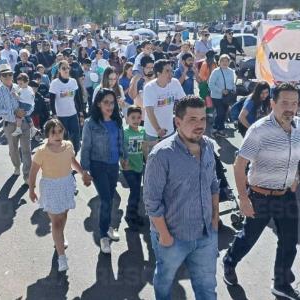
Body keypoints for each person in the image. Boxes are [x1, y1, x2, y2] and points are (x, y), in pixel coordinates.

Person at [222, 83, 300, 300]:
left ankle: (281, 283)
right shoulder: (259, 130)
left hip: (286, 196)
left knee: (289, 240)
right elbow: (239, 165)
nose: (290, 107)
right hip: (259, 196)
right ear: (272, 103)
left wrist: (296, 178)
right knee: (248, 238)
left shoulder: (299, 127)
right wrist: (244, 198)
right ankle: (229, 262)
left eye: (294, 103)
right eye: (284, 102)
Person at [144, 96, 219, 300]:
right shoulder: (161, 155)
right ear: (177, 122)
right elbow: (152, 201)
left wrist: (214, 220)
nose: (200, 125)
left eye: (203, 119)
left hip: (206, 234)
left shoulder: (209, 147)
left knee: (207, 286)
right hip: (173, 237)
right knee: (165, 281)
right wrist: (165, 236)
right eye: (193, 119)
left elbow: (213, 183)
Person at [29, 118, 92, 272]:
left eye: (60, 131)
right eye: (53, 132)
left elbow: (72, 162)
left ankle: (59, 238)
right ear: (47, 135)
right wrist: (32, 188)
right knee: (56, 222)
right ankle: (61, 257)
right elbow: (33, 171)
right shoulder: (41, 151)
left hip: (66, 185)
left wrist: (83, 172)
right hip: (50, 187)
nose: (57, 135)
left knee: (63, 216)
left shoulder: (68, 146)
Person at [81, 88, 128, 254]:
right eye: (106, 102)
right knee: (106, 200)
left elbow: (121, 140)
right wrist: (84, 171)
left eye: (112, 102)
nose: (110, 106)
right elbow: (85, 147)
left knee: (110, 198)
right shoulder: (91, 124)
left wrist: (124, 157)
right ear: (99, 104)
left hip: (113, 166)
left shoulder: (117, 120)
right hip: (98, 166)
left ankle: (107, 227)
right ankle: (103, 236)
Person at [0, 64, 32, 184]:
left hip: (24, 123)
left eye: (10, 74)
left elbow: (30, 102)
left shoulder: (19, 87)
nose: (8, 76)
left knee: (27, 150)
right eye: (5, 75)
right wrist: (14, 112)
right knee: (13, 149)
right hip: (10, 124)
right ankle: (16, 166)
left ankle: (27, 176)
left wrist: (25, 112)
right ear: (0, 77)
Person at [143, 59, 186, 157]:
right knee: (153, 160)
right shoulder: (149, 88)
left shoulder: (175, 83)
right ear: (158, 73)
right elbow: (149, 111)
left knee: (169, 159)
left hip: (169, 130)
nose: (171, 73)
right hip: (153, 132)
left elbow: (184, 101)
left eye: (171, 70)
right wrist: (158, 129)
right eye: (167, 71)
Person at [49, 60, 84, 155]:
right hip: (60, 116)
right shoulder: (55, 83)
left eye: (67, 68)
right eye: (63, 68)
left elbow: (78, 98)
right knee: (63, 139)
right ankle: (64, 160)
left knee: (76, 137)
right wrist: (54, 115)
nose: (66, 70)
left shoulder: (73, 82)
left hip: (73, 114)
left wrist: (80, 112)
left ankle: (74, 155)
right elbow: (51, 100)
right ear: (59, 70)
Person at [122, 105, 145, 230]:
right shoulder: (124, 132)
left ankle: (134, 213)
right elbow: (120, 149)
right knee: (135, 191)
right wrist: (123, 163)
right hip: (128, 168)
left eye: (138, 117)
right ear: (127, 118)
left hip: (139, 167)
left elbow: (146, 147)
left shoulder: (143, 130)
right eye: (133, 118)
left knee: (136, 192)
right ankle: (130, 215)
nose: (136, 120)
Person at [208, 54, 236, 138]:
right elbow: (210, 84)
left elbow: (232, 83)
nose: (224, 62)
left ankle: (217, 129)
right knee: (220, 113)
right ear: (219, 62)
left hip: (227, 97)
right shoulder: (216, 71)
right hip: (217, 96)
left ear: (229, 62)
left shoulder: (231, 71)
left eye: (226, 61)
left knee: (223, 114)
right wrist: (221, 90)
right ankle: (218, 129)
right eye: (222, 61)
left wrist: (233, 89)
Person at [129, 56, 155, 125]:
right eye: (148, 68)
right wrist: (135, 81)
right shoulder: (137, 79)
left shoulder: (156, 79)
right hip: (141, 118)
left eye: (152, 67)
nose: (150, 70)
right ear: (142, 67)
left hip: (154, 117)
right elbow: (132, 96)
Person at [12, 73, 38, 138]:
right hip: (28, 105)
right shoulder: (26, 88)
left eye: (21, 83)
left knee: (19, 115)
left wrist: (14, 95)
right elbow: (19, 93)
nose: (19, 85)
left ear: (27, 82)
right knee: (27, 116)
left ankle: (18, 129)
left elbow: (19, 97)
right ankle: (33, 128)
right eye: (18, 83)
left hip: (25, 104)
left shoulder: (26, 90)